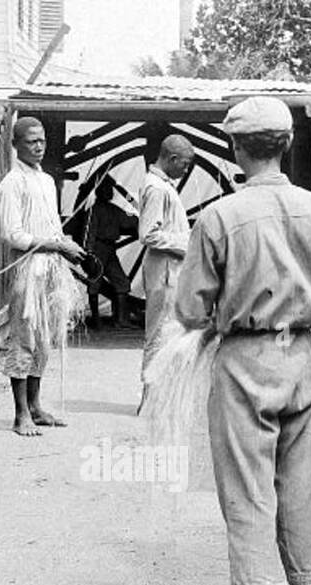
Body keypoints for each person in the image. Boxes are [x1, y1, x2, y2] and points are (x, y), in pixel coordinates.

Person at [175, 97, 311, 585]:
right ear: (290, 144)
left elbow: (190, 310)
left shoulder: (219, 218)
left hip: (245, 360)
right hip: (300, 355)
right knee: (301, 489)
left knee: (249, 493)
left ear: (234, 147)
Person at [0, 116, 87, 437]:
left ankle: (35, 406)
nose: (38, 146)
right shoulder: (12, 182)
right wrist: (54, 245)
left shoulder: (47, 181)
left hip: (51, 269)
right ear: (16, 145)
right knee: (24, 338)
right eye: (31, 141)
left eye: (42, 141)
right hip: (27, 271)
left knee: (47, 339)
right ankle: (20, 414)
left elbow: (53, 226)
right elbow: (14, 235)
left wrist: (64, 243)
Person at [138, 134, 195, 402]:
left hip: (170, 269)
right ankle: (149, 397)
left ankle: (158, 395)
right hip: (164, 270)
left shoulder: (163, 186)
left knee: (168, 330)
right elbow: (148, 234)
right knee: (158, 333)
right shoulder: (157, 188)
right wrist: (188, 244)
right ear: (172, 159)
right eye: (184, 164)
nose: (186, 170)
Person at [83, 177, 139, 327]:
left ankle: (120, 320)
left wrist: (144, 219)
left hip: (109, 250)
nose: (110, 193)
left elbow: (131, 220)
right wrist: (89, 252)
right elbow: (89, 232)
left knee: (122, 282)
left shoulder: (114, 209)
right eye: (106, 190)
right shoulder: (93, 211)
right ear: (99, 192)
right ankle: (96, 320)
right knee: (95, 283)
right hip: (97, 249)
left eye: (110, 190)